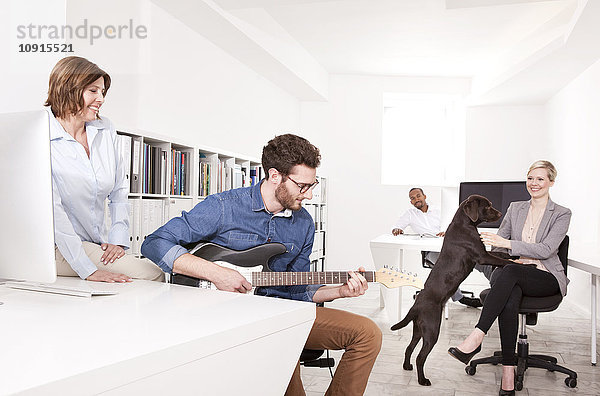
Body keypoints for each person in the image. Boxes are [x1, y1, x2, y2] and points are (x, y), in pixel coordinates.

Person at [141, 134, 382, 396]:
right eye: (303, 186)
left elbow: (298, 287)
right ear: (275, 175)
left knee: (367, 334)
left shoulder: (304, 224)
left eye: (312, 185)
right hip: (223, 315)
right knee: (280, 348)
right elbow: (154, 243)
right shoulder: (224, 207)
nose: (310, 195)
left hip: (281, 312)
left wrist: (340, 291)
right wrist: (216, 273)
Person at [448, 160, 570, 396]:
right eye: (530, 178)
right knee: (510, 288)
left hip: (545, 277)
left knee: (510, 271)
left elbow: (546, 250)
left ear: (551, 182)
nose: (534, 183)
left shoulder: (562, 214)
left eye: (540, 179)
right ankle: (507, 373)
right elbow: (500, 248)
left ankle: (477, 335)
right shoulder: (516, 208)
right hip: (515, 275)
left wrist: (508, 245)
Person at [46, 56, 164, 283]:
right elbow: (53, 212)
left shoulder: (105, 129)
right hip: (56, 245)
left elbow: (119, 190)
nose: (100, 99)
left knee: (147, 272)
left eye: (102, 92)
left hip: (93, 242)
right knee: (152, 274)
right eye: (93, 91)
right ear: (68, 88)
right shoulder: (42, 135)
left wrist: (118, 239)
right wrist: (87, 269)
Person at [392, 188, 483, 308]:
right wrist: (397, 229)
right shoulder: (409, 214)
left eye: (418, 196)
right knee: (447, 267)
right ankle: (460, 298)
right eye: (412, 198)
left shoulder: (439, 210)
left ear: (424, 196)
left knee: (476, 258)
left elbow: (455, 224)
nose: (416, 199)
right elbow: (397, 227)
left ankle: (494, 293)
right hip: (431, 251)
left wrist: (446, 231)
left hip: (451, 245)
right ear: (411, 202)